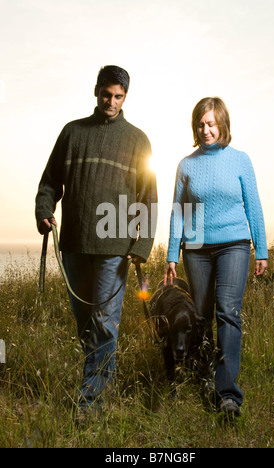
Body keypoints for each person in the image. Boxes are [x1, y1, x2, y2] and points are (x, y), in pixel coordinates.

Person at [35, 65, 157, 414]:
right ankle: (103, 382)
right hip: (73, 243)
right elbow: (49, 182)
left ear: (125, 97)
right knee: (86, 324)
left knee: (104, 323)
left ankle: (91, 402)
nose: (112, 101)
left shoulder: (138, 140)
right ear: (96, 91)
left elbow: (148, 197)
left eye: (119, 96)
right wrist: (44, 209)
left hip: (114, 249)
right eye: (107, 94)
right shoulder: (72, 133)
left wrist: (141, 245)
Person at [164, 97, 268, 417]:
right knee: (202, 315)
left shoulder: (240, 160)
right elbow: (178, 213)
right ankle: (204, 376)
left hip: (234, 244)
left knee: (227, 311)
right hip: (195, 250)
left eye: (211, 123)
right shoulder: (187, 164)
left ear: (222, 124)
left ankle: (227, 395)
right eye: (200, 124)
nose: (205, 129)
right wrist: (171, 252)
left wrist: (261, 249)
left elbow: (253, 205)